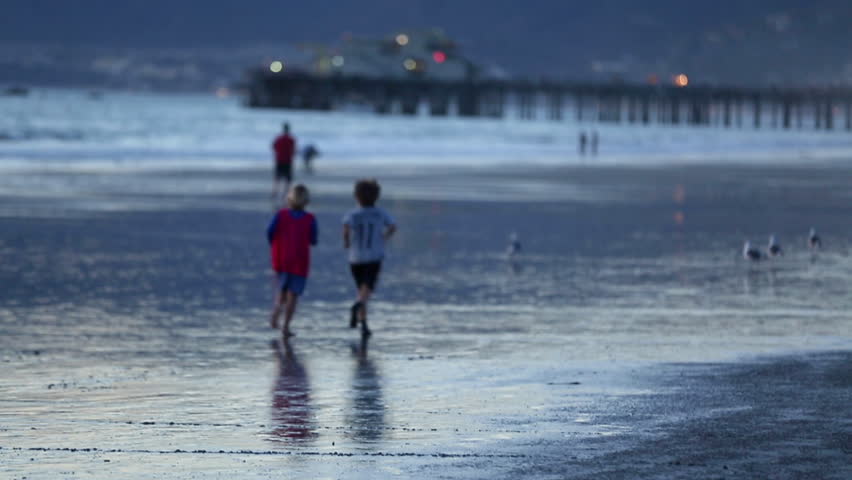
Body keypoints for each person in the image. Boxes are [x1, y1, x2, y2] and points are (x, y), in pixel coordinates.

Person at [342, 179, 397, 337]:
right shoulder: (380, 213)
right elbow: (393, 226)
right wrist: (384, 237)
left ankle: (364, 324)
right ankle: (358, 305)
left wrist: (346, 241)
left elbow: (346, 227)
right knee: (367, 288)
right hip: (374, 256)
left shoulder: (353, 214)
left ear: (356, 196)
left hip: (355, 257)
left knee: (361, 288)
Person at [267, 184, 318, 338]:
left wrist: (276, 243)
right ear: (306, 201)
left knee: (282, 291)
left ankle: (276, 313)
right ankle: (286, 326)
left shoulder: (280, 215)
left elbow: (270, 232)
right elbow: (313, 239)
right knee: (293, 295)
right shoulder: (310, 219)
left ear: (289, 199)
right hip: (300, 262)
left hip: (281, 259)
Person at [272, 123, 296, 204]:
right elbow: (294, 150)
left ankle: (275, 192)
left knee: (277, 177)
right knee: (288, 179)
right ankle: (286, 194)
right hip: (288, 161)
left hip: (279, 160)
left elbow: (274, 147)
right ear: (288, 129)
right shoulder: (291, 139)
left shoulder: (279, 138)